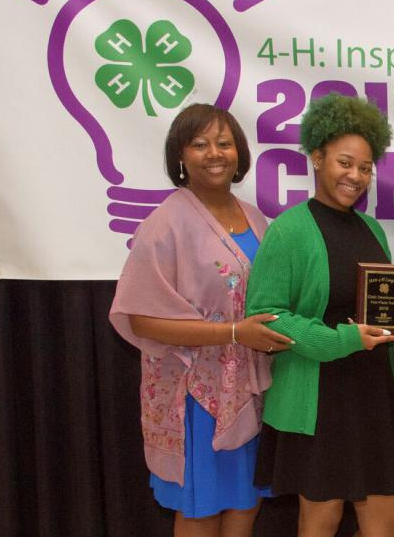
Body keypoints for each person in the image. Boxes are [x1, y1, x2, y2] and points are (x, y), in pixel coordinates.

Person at [110, 103, 291, 537]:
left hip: (250, 388)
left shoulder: (255, 217)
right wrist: (232, 332)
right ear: (180, 156)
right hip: (196, 396)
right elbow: (141, 319)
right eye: (200, 143)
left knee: (245, 506)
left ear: (240, 153)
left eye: (224, 143)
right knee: (201, 510)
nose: (214, 153)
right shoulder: (165, 223)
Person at [245, 93, 394, 537]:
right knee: (322, 518)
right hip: (318, 398)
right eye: (344, 163)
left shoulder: (372, 228)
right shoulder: (289, 229)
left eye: (365, 167)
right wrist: (343, 341)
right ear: (316, 158)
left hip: (372, 393)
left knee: (387, 518)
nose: (356, 176)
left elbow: (378, 307)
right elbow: (265, 316)